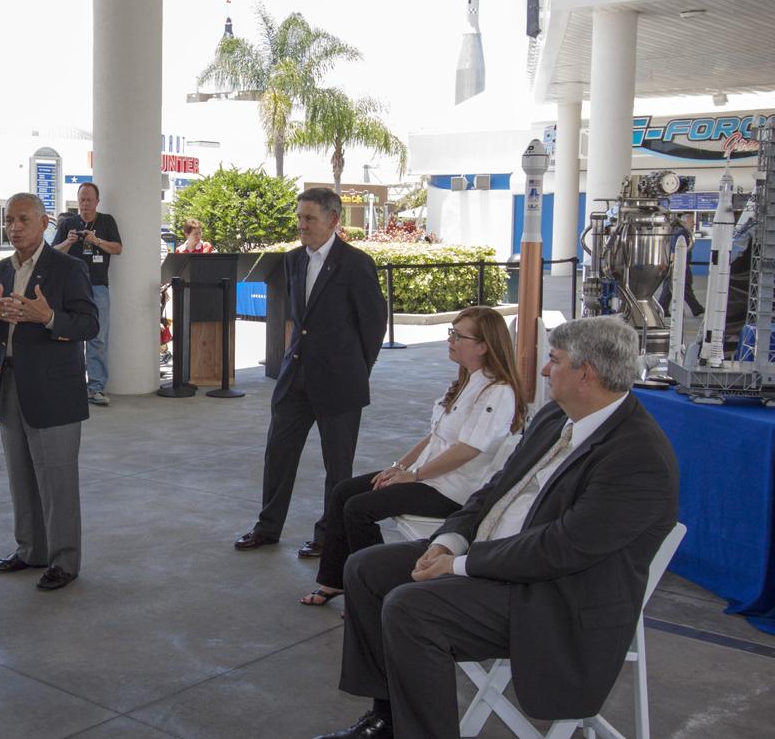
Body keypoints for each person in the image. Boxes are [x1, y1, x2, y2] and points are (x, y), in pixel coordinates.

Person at [317, 317, 678, 739]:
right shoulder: (554, 419)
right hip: (498, 562)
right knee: (366, 570)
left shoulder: (637, 456)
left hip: (551, 599)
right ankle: (388, 718)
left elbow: (557, 550)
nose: (544, 370)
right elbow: (492, 491)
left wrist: (459, 565)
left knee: (411, 609)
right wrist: (450, 540)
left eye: (554, 361)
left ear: (586, 374)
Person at [299, 306, 528, 607]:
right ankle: (335, 581)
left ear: (484, 346)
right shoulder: (466, 381)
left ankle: (377, 588)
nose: (451, 340)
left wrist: (414, 476)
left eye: (459, 336)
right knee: (344, 492)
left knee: (359, 508)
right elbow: (436, 435)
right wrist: (400, 466)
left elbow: (467, 450)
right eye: (451, 333)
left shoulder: (497, 392)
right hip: (429, 476)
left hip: (453, 490)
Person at [235, 187, 387, 559]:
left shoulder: (356, 264)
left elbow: (373, 325)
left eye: (309, 219)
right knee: (278, 454)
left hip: (340, 383)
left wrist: (354, 369)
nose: (301, 225)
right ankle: (268, 527)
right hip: (295, 379)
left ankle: (327, 536)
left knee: (338, 466)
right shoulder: (292, 261)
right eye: (300, 218)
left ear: (333, 220)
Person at [0, 192, 99, 592]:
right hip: (9, 382)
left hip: (54, 390)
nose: (14, 227)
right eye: (10, 220)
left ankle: (64, 560)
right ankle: (31, 550)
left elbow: (89, 325)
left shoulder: (67, 269)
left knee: (57, 479)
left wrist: (48, 317)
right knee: (21, 476)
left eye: (23, 219)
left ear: (44, 223)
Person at [52, 182, 121, 406]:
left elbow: (118, 248)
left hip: (99, 286)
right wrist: (68, 241)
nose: (84, 203)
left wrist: (96, 240)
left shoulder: (107, 221)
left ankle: (96, 388)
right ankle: (72, 385)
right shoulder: (68, 223)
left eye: (89, 199)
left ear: (97, 201)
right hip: (71, 288)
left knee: (98, 338)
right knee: (70, 338)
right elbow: (52, 253)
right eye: (81, 199)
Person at [658, 212, 704, 317]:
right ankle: (696, 309)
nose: (694, 224)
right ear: (685, 221)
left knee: (670, 288)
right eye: (692, 222)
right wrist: (673, 264)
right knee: (683, 287)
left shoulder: (682, 232)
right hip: (678, 264)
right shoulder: (681, 233)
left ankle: (662, 308)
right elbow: (675, 249)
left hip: (680, 264)